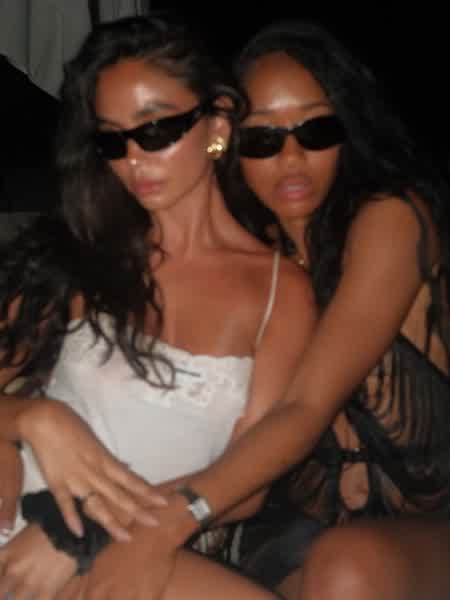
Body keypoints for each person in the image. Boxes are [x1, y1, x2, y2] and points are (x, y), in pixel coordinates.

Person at [0, 16, 316, 599]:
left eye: (155, 130)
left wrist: (83, 530)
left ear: (217, 123)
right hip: (15, 520)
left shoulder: (280, 292)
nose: (133, 160)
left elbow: (246, 488)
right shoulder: (81, 253)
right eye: (112, 140)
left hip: (132, 537)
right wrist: (31, 419)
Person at [225, 19, 450, 600]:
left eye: (315, 129)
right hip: (296, 540)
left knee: (346, 568)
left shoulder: (392, 219)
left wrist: (176, 515)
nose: (291, 156)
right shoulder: (248, 264)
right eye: (263, 138)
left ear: (348, 128)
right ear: (232, 148)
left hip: (427, 537)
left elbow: (306, 405)